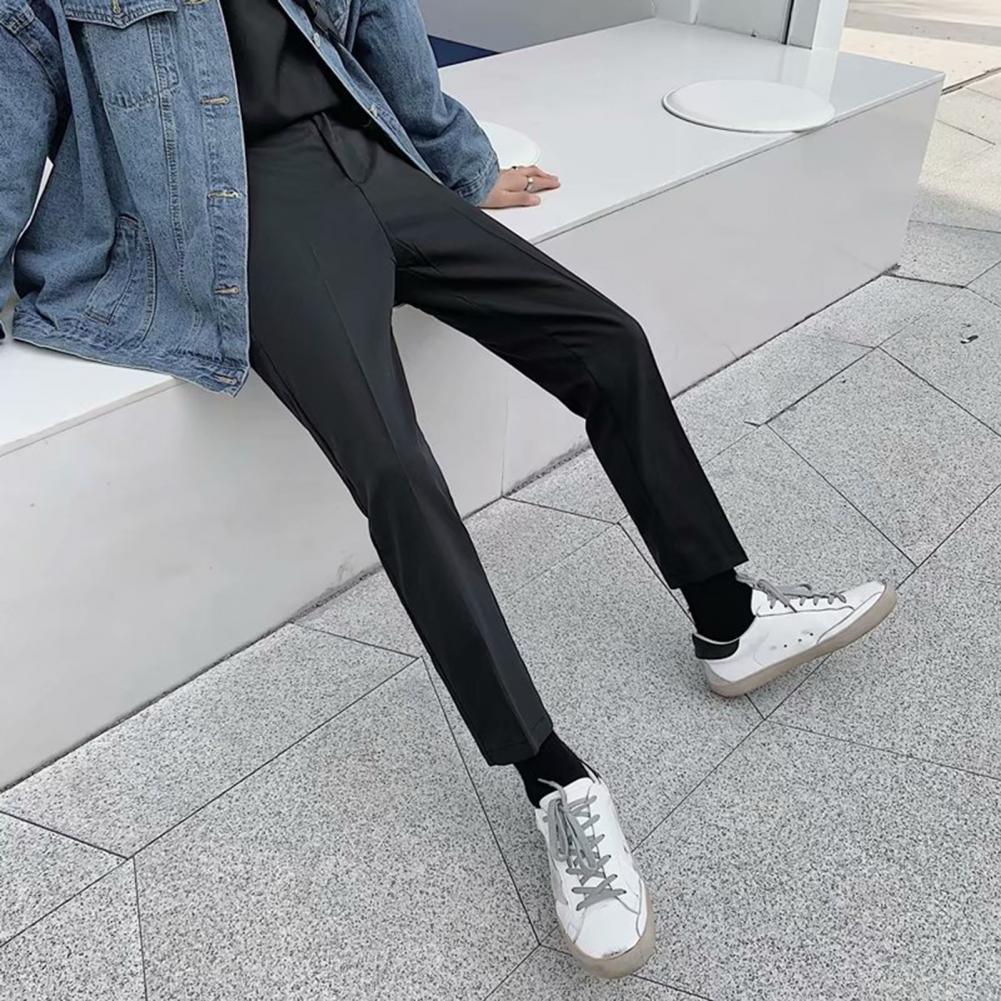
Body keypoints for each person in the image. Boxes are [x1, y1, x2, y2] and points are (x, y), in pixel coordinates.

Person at [0, 0, 896, 979]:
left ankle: (726, 615)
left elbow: (380, 22)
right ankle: (551, 778)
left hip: (365, 155)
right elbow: (14, 96)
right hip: (242, 211)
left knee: (607, 342)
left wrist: (463, 167)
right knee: (392, 462)